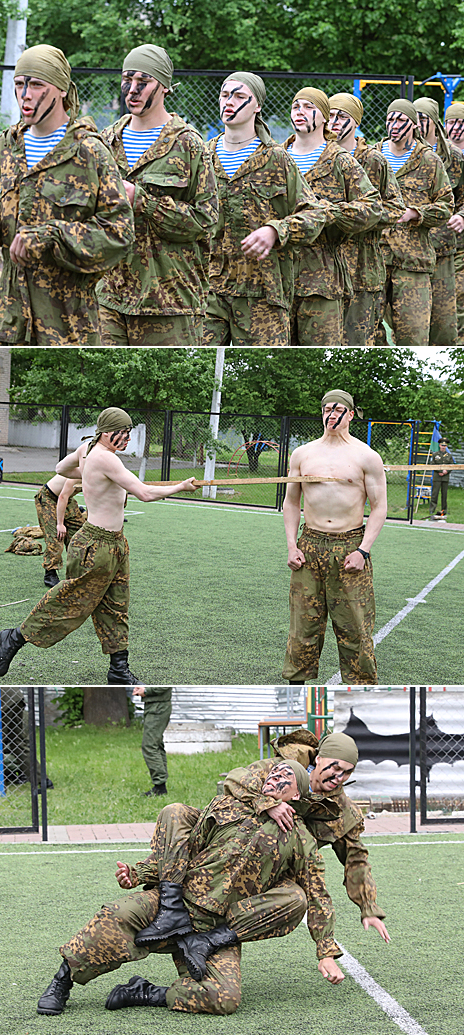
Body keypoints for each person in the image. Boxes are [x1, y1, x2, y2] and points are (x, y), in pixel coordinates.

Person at [36, 736, 388, 1013]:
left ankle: (147, 992)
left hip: (219, 923)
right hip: (178, 902)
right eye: (333, 768)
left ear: (296, 796)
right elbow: (193, 842)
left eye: (346, 774)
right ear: (318, 759)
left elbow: (327, 883)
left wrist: (346, 929)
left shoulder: (303, 838)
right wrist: (142, 872)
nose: (337, 779)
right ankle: (62, 981)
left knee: (225, 996)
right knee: (117, 915)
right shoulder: (232, 802)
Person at [0, 408, 198, 685]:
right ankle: (15, 637)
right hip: (95, 545)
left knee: (116, 605)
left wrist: (87, 472)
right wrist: (181, 487)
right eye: (122, 433)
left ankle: (118, 669)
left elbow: (60, 469)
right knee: (72, 603)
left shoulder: (87, 451)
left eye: (129, 432)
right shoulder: (104, 458)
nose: (127, 438)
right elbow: (146, 493)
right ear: (106, 432)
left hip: (115, 543)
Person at [0, 45, 134, 346]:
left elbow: (120, 233)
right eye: (20, 84)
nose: (25, 94)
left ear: (59, 89)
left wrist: (50, 236)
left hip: (68, 327)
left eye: (36, 85)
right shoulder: (8, 145)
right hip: (9, 323)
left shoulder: (89, 151)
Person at [97, 43, 217, 345]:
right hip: (108, 297)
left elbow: (206, 221)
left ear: (163, 87)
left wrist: (142, 201)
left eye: (143, 81)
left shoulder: (187, 144)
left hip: (168, 302)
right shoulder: (104, 142)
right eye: (127, 79)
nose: (132, 89)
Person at [202, 71, 327, 346]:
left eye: (239, 96)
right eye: (224, 95)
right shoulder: (202, 155)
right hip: (207, 292)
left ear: (257, 105)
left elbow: (315, 215)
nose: (229, 102)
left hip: (262, 294)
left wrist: (276, 230)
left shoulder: (276, 158)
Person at [281, 388, 387, 683]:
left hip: (349, 548)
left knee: (355, 628)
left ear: (350, 414)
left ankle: (361, 687)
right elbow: (291, 502)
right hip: (310, 545)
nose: (332, 414)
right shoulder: (303, 454)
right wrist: (292, 545)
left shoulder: (367, 457)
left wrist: (363, 551)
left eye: (338, 409)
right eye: (327, 408)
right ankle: (297, 686)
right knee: (303, 629)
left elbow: (379, 508)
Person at [284, 85, 384, 345]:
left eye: (309, 107)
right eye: (296, 106)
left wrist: (330, 212)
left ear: (322, 117)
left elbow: (374, 207)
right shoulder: (277, 158)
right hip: (277, 280)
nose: (301, 112)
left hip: (322, 280)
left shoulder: (341, 160)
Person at [328, 92, 404, 344]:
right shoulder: (316, 157)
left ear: (356, 121)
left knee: (358, 340)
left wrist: (356, 216)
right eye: (329, 115)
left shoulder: (373, 160)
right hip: (321, 269)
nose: (333, 122)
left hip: (362, 266)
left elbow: (395, 208)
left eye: (341, 116)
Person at [376, 99, 453, 345]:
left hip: (413, 263)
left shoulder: (429, 160)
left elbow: (446, 205)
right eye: (390, 119)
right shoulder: (373, 156)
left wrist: (417, 214)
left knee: (413, 335)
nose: (394, 125)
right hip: (374, 259)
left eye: (401, 120)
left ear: (413, 125)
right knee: (366, 334)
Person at [415, 96, 464, 345]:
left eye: (422, 119)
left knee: (448, 318)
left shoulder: (453, 159)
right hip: (408, 252)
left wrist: (461, 215)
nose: (416, 124)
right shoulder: (396, 155)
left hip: (447, 249)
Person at [34, 473, 87, 589]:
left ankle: (78, 569)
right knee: (56, 537)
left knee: (82, 534)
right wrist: (60, 523)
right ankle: (50, 573)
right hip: (49, 498)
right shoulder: (82, 470)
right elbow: (62, 496)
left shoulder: (100, 473)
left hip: (67, 499)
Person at [445, 99, 464, 342]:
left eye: (462, 122)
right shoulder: (438, 156)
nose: (456, 128)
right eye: (451, 122)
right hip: (440, 241)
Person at [134, 686, 172, 796]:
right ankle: (160, 785)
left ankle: (160, 787)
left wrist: (146, 690)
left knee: (150, 745)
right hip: (154, 705)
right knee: (156, 745)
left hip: (159, 707)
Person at [428, 434, 455, 520]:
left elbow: (452, 465)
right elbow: (432, 465)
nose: (443, 447)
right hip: (437, 477)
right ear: (439, 445)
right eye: (442, 445)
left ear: (446, 446)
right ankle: (432, 509)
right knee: (435, 494)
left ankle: (444, 509)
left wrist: (446, 471)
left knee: (444, 494)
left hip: (445, 477)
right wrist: (440, 471)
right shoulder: (435, 454)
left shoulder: (449, 455)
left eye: (445, 445)